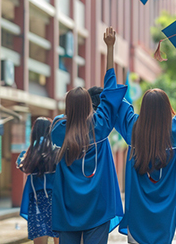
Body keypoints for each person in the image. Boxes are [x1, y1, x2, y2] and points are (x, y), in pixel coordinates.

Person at [108, 51, 176, 244]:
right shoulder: (174, 134)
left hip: (137, 218)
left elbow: (113, 94)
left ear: (144, 109)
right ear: (166, 109)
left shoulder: (133, 132)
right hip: (164, 219)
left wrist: (111, 50)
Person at [51, 27, 123, 244]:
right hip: (97, 207)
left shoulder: (58, 131)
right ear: (91, 106)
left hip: (68, 209)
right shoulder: (100, 127)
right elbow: (109, 92)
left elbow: (61, 121)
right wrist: (110, 48)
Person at [17, 117, 59, 244]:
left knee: (39, 240)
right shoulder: (57, 152)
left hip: (36, 201)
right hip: (56, 200)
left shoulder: (29, 154)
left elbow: (22, 166)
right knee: (60, 239)